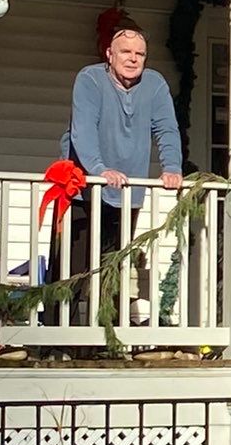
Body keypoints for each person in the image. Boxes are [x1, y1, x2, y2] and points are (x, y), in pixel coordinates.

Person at [56, 18, 182, 278]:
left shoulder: (155, 84)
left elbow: (167, 129)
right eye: (126, 51)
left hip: (128, 195)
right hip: (83, 190)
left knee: (112, 274)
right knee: (70, 275)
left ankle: (105, 320)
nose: (133, 59)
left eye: (140, 54)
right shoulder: (90, 79)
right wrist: (100, 170)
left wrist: (172, 167)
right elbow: (84, 131)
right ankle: (57, 320)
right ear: (109, 55)